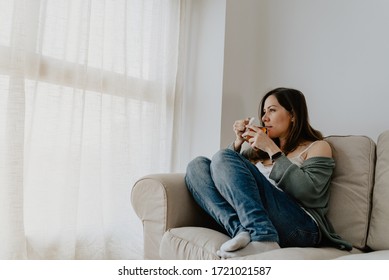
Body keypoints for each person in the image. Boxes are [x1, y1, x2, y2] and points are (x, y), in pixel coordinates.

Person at [185, 87, 352, 259]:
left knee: (223, 156)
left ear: (293, 115)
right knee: (196, 166)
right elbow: (224, 174)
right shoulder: (256, 152)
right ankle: (241, 231)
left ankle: (263, 237)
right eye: (264, 112)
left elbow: (310, 192)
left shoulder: (317, 147)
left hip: (301, 227)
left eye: (272, 110)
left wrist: (272, 149)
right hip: (265, 218)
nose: (264, 118)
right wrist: (238, 141)